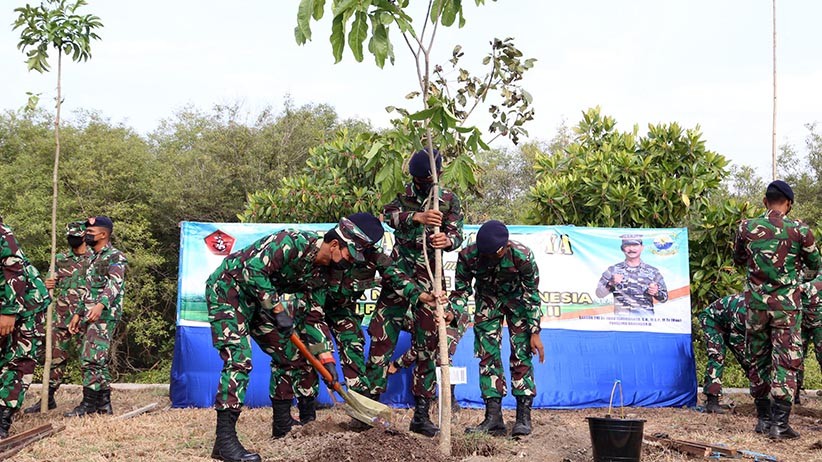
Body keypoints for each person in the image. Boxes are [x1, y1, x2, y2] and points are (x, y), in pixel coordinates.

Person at [206, 213, 382, 462]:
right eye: (349, 255)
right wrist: (278, 311)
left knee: (291, 356)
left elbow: (314, 317)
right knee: (239, 359)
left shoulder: (323, 275)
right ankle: (223, 440)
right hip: (229, 289)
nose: (349, 262)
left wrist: (326, 358)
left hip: (259, 303)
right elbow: (252, 270)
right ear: (335, 244)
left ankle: (281, 424)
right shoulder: (292, 241)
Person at [364, 148, 464, 437]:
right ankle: (370, 410)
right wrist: (416, 217)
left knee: (428, 346)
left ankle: (421, 415)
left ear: (437, 175)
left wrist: (448, 239)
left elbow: (457, 233)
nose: (420, 183)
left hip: (430, 279)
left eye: (426, 178)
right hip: (399, 275)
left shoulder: (449, 200)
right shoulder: (403, 195)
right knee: (381, 339)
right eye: (417, 178)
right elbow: (388, 216)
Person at [292, 243, 437, 428]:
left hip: (342, 310)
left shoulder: (375, 257)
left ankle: (362, 417)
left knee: (354, 344)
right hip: (313, 307)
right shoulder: (328, 253)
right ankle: (307, 418)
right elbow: (313, 317)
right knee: (308, 354)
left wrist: (421, 295)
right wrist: (326, 358)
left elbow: (396, 276)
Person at [733, 180, 821, 439]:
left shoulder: (745, 227)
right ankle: (779, 424)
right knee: (786, 361)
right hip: (786, 307)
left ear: (764, 201)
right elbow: (814, 264)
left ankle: (762, 420)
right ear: (789, 204)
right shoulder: (800, 230)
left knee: (758, 357)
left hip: (756, 306)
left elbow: (739, 259)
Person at [451, 220, 545, 437]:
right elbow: (461, 292)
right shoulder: (468, 256)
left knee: (521, 355)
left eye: (496, 254)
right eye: (487, 254)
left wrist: (535, 332)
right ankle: (493, 418)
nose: (490, 258)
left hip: (517, 302)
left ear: (505, 247)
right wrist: (452, 312)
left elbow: (531, 294)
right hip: (487, 302)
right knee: (487, 356)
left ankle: (523, 417)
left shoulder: (523, 256)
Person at [24, 221, 91, 414]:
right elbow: (47, 287)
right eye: (69, 236)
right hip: (62, 317)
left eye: (75, 236)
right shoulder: (60, 258)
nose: (72, 239)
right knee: (55, 358)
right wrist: (48, 283)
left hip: (85, 318)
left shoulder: (94, 259)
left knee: (88, 359)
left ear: (84, 236)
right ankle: (48, 398)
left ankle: (90, 399)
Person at [65, 216, 128, 418]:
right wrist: (77, 313)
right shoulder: (93, 257)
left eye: (90, 232)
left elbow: (114, 284)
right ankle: (103, 403)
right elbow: (89, 289)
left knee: (90, 358)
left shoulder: (115, 256)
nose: (86, 235)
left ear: (103, 235)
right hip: (90, 313)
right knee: (96, 359)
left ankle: (88, 403)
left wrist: (101, 305)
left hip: (105, 314)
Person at [0, 216, 49, 438]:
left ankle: (2, 419)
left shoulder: (2, 232)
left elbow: (14, 270)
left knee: (19, 359)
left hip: (25, 304)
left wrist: (9, 312)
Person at [385, 307, 470, 415]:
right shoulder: (414, 317)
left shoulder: (421, 320)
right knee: (431, 357)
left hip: (453, 321)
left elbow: (419, 348)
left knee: (440, 357)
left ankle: (449, 402)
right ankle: (430, 399)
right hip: (441, 319)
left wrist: (397, 364)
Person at [697, 293, 750, 414]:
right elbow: (739, 344)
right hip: (712, 320)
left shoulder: (763, 311)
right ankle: (712, 401)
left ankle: (762, 397)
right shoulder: (743, 312)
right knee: (717, 356)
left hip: (728, 322)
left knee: (752, 360)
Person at [595, 234, 668, 316]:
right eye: (627, 245)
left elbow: (664, 298)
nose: (631, 249)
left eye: (635, 245)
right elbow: (599, 294)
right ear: (622, 248)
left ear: (642, 247)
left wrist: (656, 293)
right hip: (621, 323)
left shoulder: (653, 272)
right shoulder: (613, 270)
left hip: (646, 323)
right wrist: (611, 283)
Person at [797, 273, 822, 405]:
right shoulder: (796, 269)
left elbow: (816, 283)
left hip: (820, 321)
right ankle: (795, 392)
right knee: (797, 355)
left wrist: (800, 287)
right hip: (801, 320)